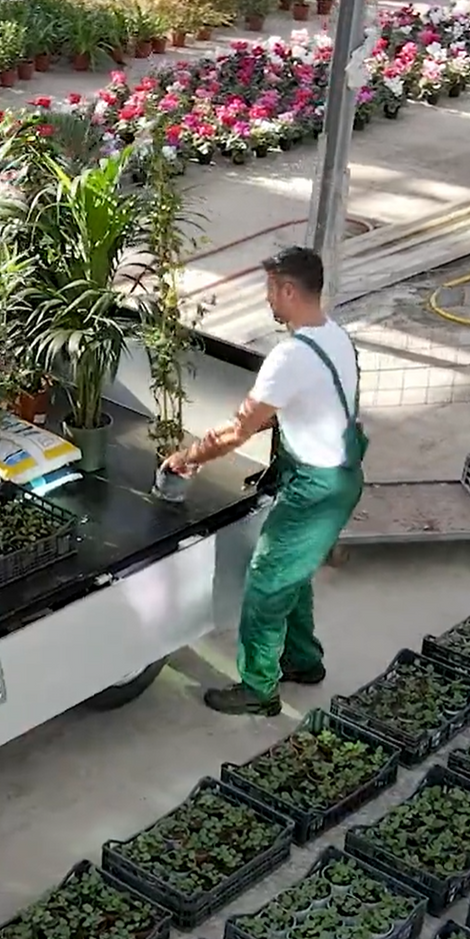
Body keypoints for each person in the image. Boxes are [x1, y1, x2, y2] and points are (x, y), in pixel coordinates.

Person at [162, 246, 367, 716]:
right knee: (294, 572)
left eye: (272, 290)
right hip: (339, 476)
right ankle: (303, 660)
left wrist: (189, 457)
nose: (268, 299)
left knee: (267, 583)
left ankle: (259, 689)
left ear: (290, 290)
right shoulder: (337, 338)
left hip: (315, 488)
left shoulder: (289, 357)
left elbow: (238, 430)